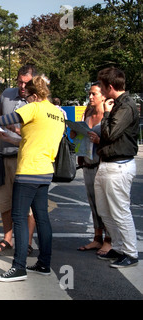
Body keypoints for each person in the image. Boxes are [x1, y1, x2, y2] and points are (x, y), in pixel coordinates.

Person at [0, 75, 65, 282]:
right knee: (42, 218)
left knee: (19, 217)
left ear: (33, 96)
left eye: (27, 98)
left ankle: (18, 267)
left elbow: (3, 119)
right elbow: (36, 138)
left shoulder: (33, 107)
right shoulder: (56, 113)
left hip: (28, 170)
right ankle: (44, 263)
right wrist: (17, 136)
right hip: (45, 171)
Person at [0, 65, 38, 254]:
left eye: (27, 83)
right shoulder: (7, 94)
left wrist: (16, 130)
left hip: (24, 159)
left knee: (28, 205)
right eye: (20, 82)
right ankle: (7, 238)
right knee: (5, 201)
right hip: (3, 157)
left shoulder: (37, 101)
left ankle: (27, 242)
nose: (22, 86)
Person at [95, 67, 139, 268]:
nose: (100, 91)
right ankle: (119, 247)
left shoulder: (126, 107)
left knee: (120, 211)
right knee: (105, 211)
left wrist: (105, 113)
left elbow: (110, 133)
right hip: (107, 164)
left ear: (110, 86)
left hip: (118, 166)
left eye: (102, 87)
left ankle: (130, 252)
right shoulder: (119, 105)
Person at [71, 82, 111, 255]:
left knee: (106, 204)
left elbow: (114, 141)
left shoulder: (109, 116)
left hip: (102, 165)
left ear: (103, 96)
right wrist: (75, 134)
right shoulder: (87, 112)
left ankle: (109, 239)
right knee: (93, 203)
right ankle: (97, 238)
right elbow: (81, 136)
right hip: (87, 163)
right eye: (90, 94)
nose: (90, 97)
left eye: (94, 94)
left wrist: (99, 141)